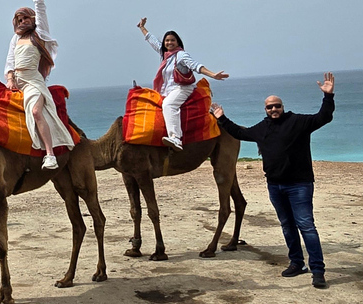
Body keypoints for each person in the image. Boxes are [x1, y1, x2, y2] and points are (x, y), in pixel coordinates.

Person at [211, 72, 336, 289]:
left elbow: (323, 117)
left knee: (306, 226)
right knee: (287, 226)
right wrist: (221, 118)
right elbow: (240, 132)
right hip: (275, 186)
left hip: (300, 185)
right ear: (265, 110)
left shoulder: (297, 122)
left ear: (282, 107)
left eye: (277, 106)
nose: (273, 109)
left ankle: (318, 270)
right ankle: (297, 263)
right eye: (269, 107)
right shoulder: (262, 128)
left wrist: (328, 97)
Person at [137, 18, 229, 151]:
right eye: (167, 40)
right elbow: (152, 41)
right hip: (167, 90)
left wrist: (213, 74)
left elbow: (196, 66)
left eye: (172, 40)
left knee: (168, 105)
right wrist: (142, 28)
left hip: (182, 88)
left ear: (178, 42)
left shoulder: (181, 55)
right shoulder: (164, 54)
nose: (169, 42)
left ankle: (176, 138)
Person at [4, 0, 75, 170]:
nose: (23, 22)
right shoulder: (16, 38)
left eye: (26, 18)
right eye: (19, 20)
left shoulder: (40, 33)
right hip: (17, 80)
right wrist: (10, 78)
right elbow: (10, 61)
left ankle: (50, 155)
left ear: (33, 18)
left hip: (33, 81)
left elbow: (41, 8)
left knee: (36, 112)